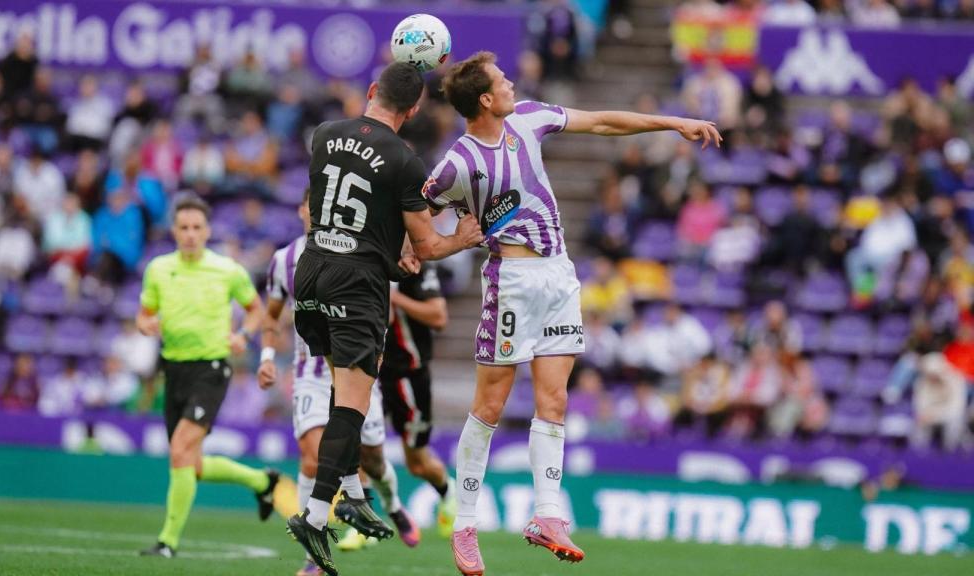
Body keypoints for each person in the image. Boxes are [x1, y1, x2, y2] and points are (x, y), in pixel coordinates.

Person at [424, 51, 720, 575]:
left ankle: (547, 516)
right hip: (511, 281)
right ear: (485, 99)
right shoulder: (457, 164)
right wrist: (452, 244)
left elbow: (602, 121)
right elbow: (415, 229)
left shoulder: (529, 118)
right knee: (490, 405)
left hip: (559, 274)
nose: (512, 83)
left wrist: (673, 121)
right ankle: (465, 522)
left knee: (555, 399)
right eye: (502, 80)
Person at [282, 62, 484, 576]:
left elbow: (345, 215)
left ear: (372, 91)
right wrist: (461, 240)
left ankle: (352, 494)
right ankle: (314, 515)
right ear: (413, 110)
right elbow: (427, 246)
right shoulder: (404, 160)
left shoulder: (324, 134)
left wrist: (391, 254)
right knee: (352, 404)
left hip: (312, 271)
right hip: (357, 287)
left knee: (340, 392)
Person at [258, 190, 400, 576]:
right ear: (302, 210)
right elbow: (271, 315)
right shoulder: (284, 260)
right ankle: (314, 551)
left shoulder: (360, 250)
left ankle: (390, 503)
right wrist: (267, 356)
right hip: (310, 373)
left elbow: (380, 311)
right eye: (312, 206)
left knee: (372, 457)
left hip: (353, 370)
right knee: (311, 455)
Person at [137, 195, 280, 558]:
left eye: (196, 227)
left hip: (211, 368)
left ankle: (167, 542)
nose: (190, 234)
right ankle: (262, 481)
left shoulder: (227, 270)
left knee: (179, 450)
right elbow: (144, 313)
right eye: (183, 227)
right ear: (174, 231)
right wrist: (146, 323)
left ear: (207, 231)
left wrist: (243, 335)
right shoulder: (158, 269)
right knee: (191, 463)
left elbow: (256, 310)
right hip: (174, 369)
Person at [364, 262, 456, 545]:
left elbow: (439, 316)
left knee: (417, 464)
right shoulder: (367, 260)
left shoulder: (416, 268)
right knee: (362, 448)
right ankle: (364, 522)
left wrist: (395, 298)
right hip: (372, 374)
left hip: (409, 377)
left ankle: (448, 491)